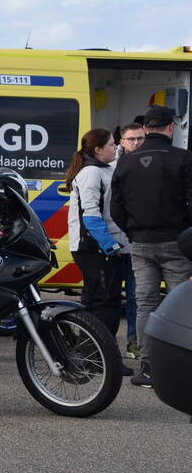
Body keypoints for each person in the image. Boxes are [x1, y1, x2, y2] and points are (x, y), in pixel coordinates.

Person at [111, 106, 192, 388]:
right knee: (182, 302)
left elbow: (115, 208)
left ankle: (148, 367)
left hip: (141, 243)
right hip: (176, 242)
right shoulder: (184, 158)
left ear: (146, 129)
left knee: (145, 303)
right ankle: (182, 366)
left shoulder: (126, 163)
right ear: (171, 128)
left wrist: (132, 231)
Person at [62, 129, 129, 355]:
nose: (115, 147)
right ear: (98, 150)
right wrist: (110, 245)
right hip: (93, 248)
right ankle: (98, 357)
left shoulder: (103, 168)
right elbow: (90, 215)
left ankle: (94, 355)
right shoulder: (91, 173)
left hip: (99, 248)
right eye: (111, 144)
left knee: (102, 302)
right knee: (103, 304)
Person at [117, 123, 146, 357]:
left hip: (136, 242)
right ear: (122, 142)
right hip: (114, 241)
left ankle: (134, 342)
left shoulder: (149, 164)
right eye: (131, 139)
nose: (136, 143)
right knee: (108, 298)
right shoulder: (112, 165)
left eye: (140, 138)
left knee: (136, 296)